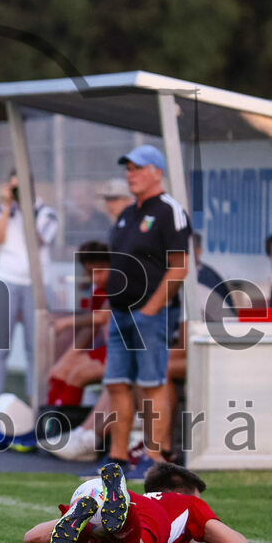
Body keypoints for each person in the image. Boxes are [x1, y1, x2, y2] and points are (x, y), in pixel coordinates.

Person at [104, 145, 190, 479]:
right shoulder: (128, 213)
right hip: (120, 313)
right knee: (116, 384)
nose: (131, 175)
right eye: (128, 169)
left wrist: (151, 309)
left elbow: (179, 267)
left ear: (157, 172)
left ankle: (152, 458)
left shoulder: (170, 211)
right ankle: (116, 459)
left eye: (138, 168)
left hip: (150, 314)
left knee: (152, 384)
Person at [22, 462, 251, 543]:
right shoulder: (188, 503)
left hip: (127, 500)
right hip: (150, 517)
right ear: (181, 491)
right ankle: (123, 525)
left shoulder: (139, 497)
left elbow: (34, 538)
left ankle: (85, 531)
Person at [0, 170, 59, 404]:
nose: (17, 192)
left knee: (34, 348)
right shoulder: (5, 210)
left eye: (20, 187)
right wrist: (8, 206)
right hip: (6, 280)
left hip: (36, 284)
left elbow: (37, 241)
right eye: (14, 187)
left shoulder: (46, 213)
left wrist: (25, 209)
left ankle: (35, 402)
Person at [46, 241, 112, 407]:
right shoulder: (98, 291)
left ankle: (66, 420)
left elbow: (102, 317)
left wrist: (66, 322)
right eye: (90, 272)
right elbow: (91, 328)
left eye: (101, 271)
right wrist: (65, 359)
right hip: (108, 351)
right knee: (60, 371)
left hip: (123, 352)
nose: (95, 278)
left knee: (77, 373)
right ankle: (51, 419)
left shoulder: (120, 287)